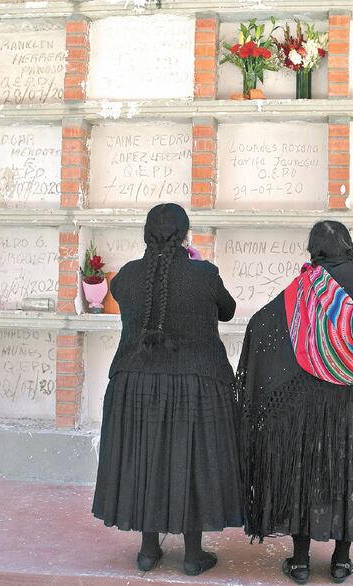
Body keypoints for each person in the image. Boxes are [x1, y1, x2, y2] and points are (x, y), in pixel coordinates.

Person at [237, 221, 353, 584]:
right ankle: (341, 561)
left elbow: (266, 321)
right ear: (348, 244)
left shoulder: (310, 283)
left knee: (306, 470)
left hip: (313, 397)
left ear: (315, 249)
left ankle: (300, 563)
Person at [92, 203, 242, 576]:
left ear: (146, 235)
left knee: (146, 459)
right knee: (191, 462)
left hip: (135, 384)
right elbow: (227, 310)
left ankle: (148, 551)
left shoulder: (126, 276)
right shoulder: (204, 274)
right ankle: (192, 555)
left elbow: (135, 294)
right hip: (196, 383)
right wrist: (196, 264)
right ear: (185, 235)